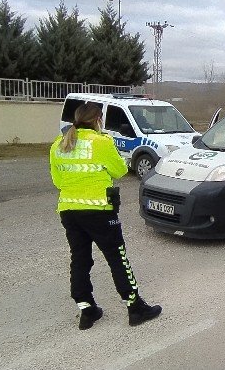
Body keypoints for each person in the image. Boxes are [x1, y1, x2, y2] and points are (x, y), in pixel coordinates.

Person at [49, 102, 162, 330]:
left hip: (69, 211)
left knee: (80, 259)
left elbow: (58, 182)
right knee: (117, 258)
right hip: (99, 210)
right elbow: (120, 170)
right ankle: (135, 308)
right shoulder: (101, 142)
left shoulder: (58, 145)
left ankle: (87, 310)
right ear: (98, 120)